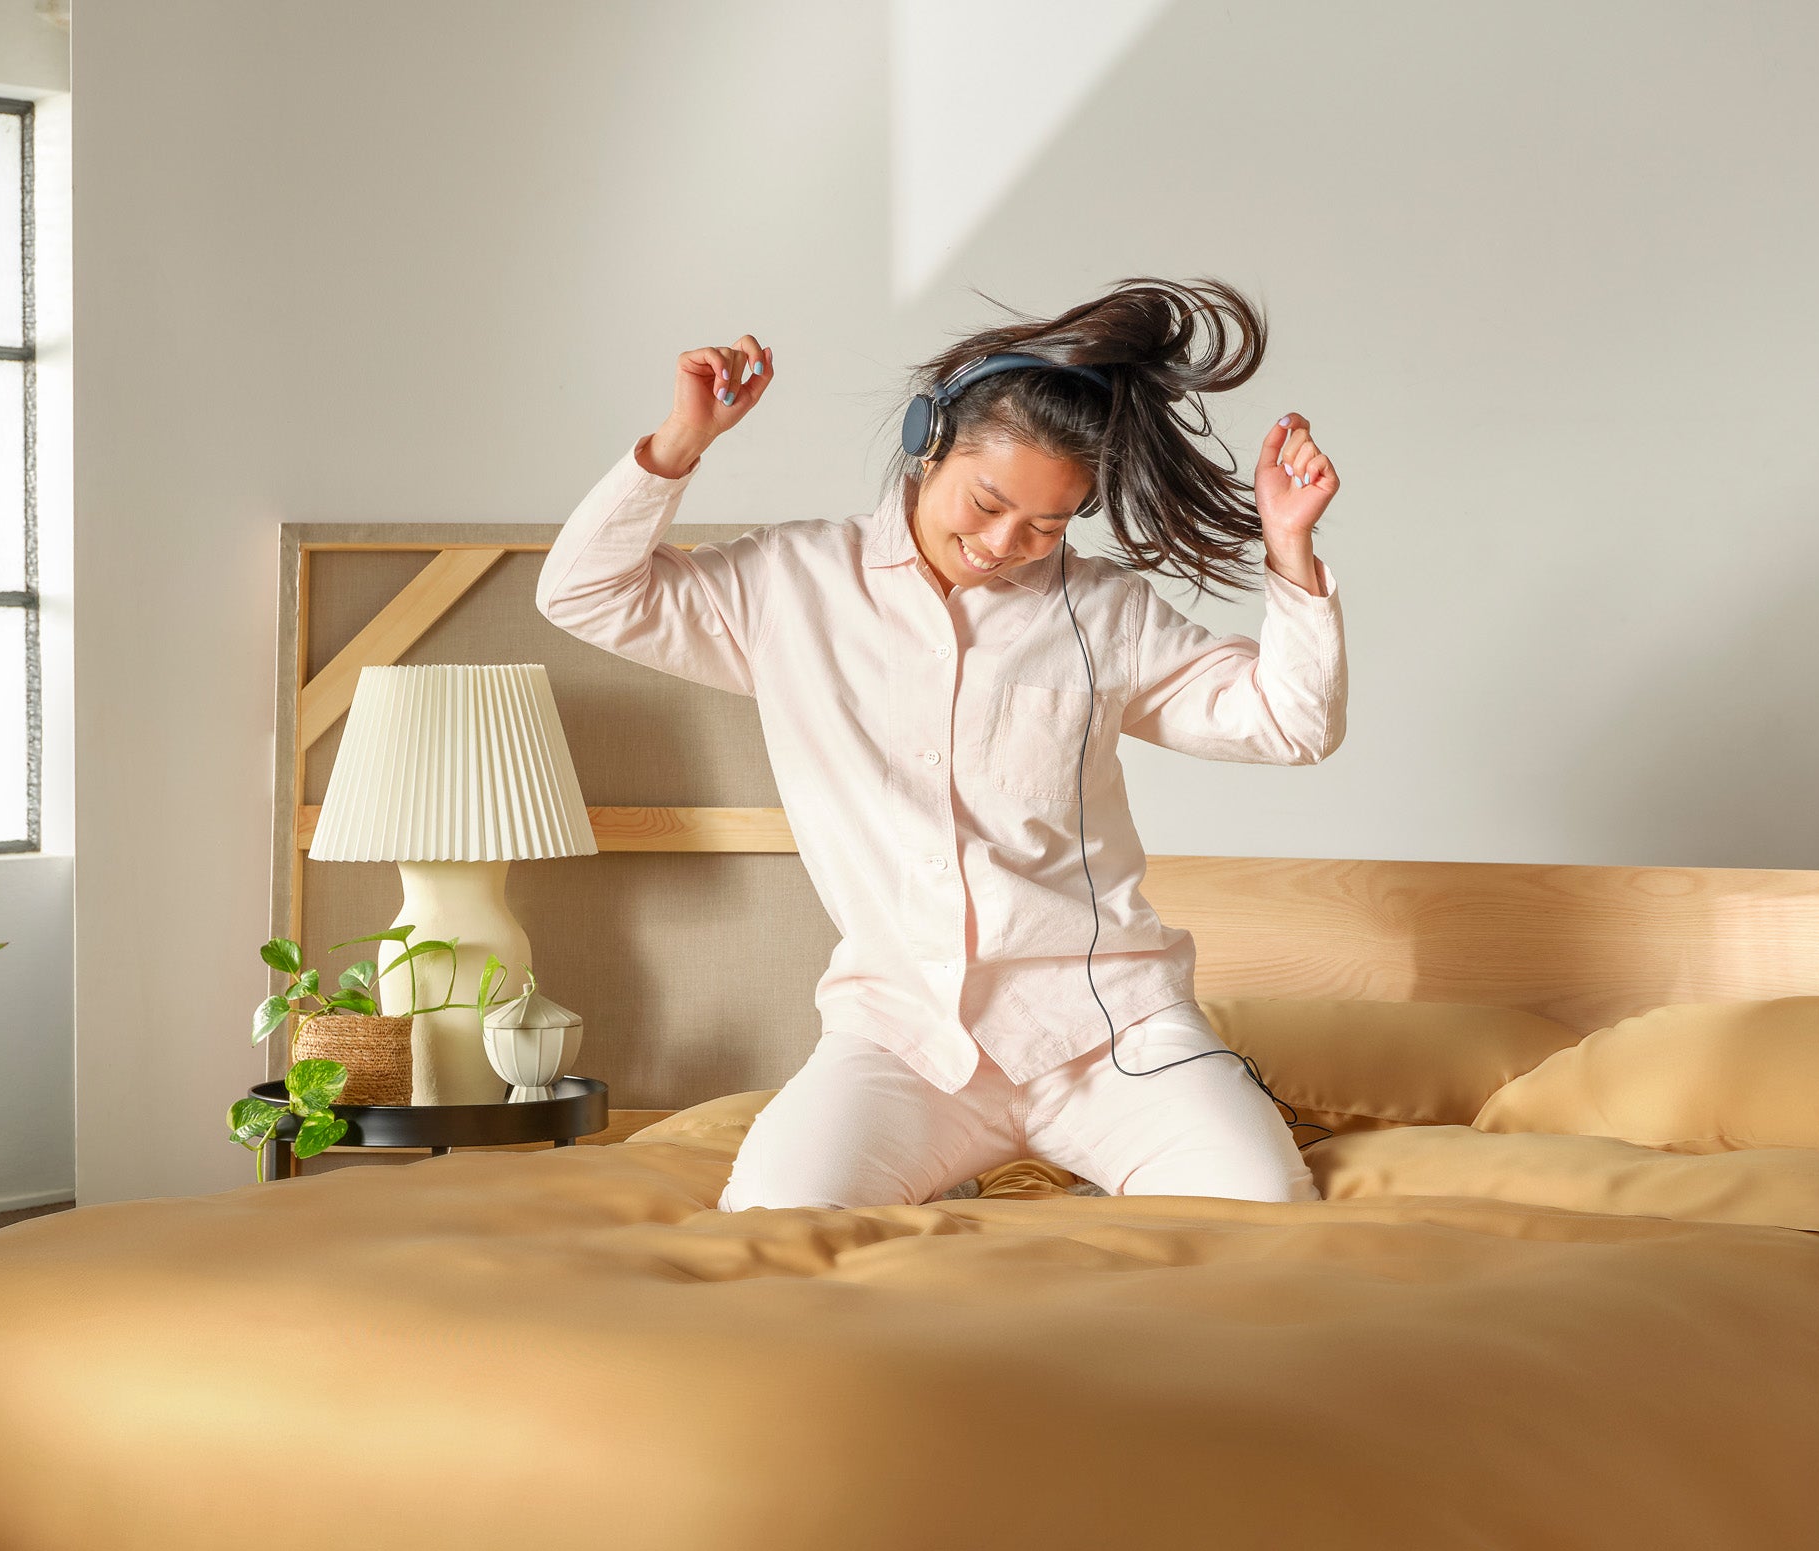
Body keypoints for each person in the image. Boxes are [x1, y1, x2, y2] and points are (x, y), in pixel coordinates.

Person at [536, 277, 1343, 1210]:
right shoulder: (789, 585)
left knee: (1266, 1212)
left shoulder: (1103, 612)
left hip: (1113, 1034)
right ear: (928, 444)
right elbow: (582, 594)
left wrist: (1290, 550)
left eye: (1047, 524)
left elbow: (1289, 723)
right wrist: (682, 443)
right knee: (772, 1224)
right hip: (901, 1035)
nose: (1006, 542)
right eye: (988, 503)